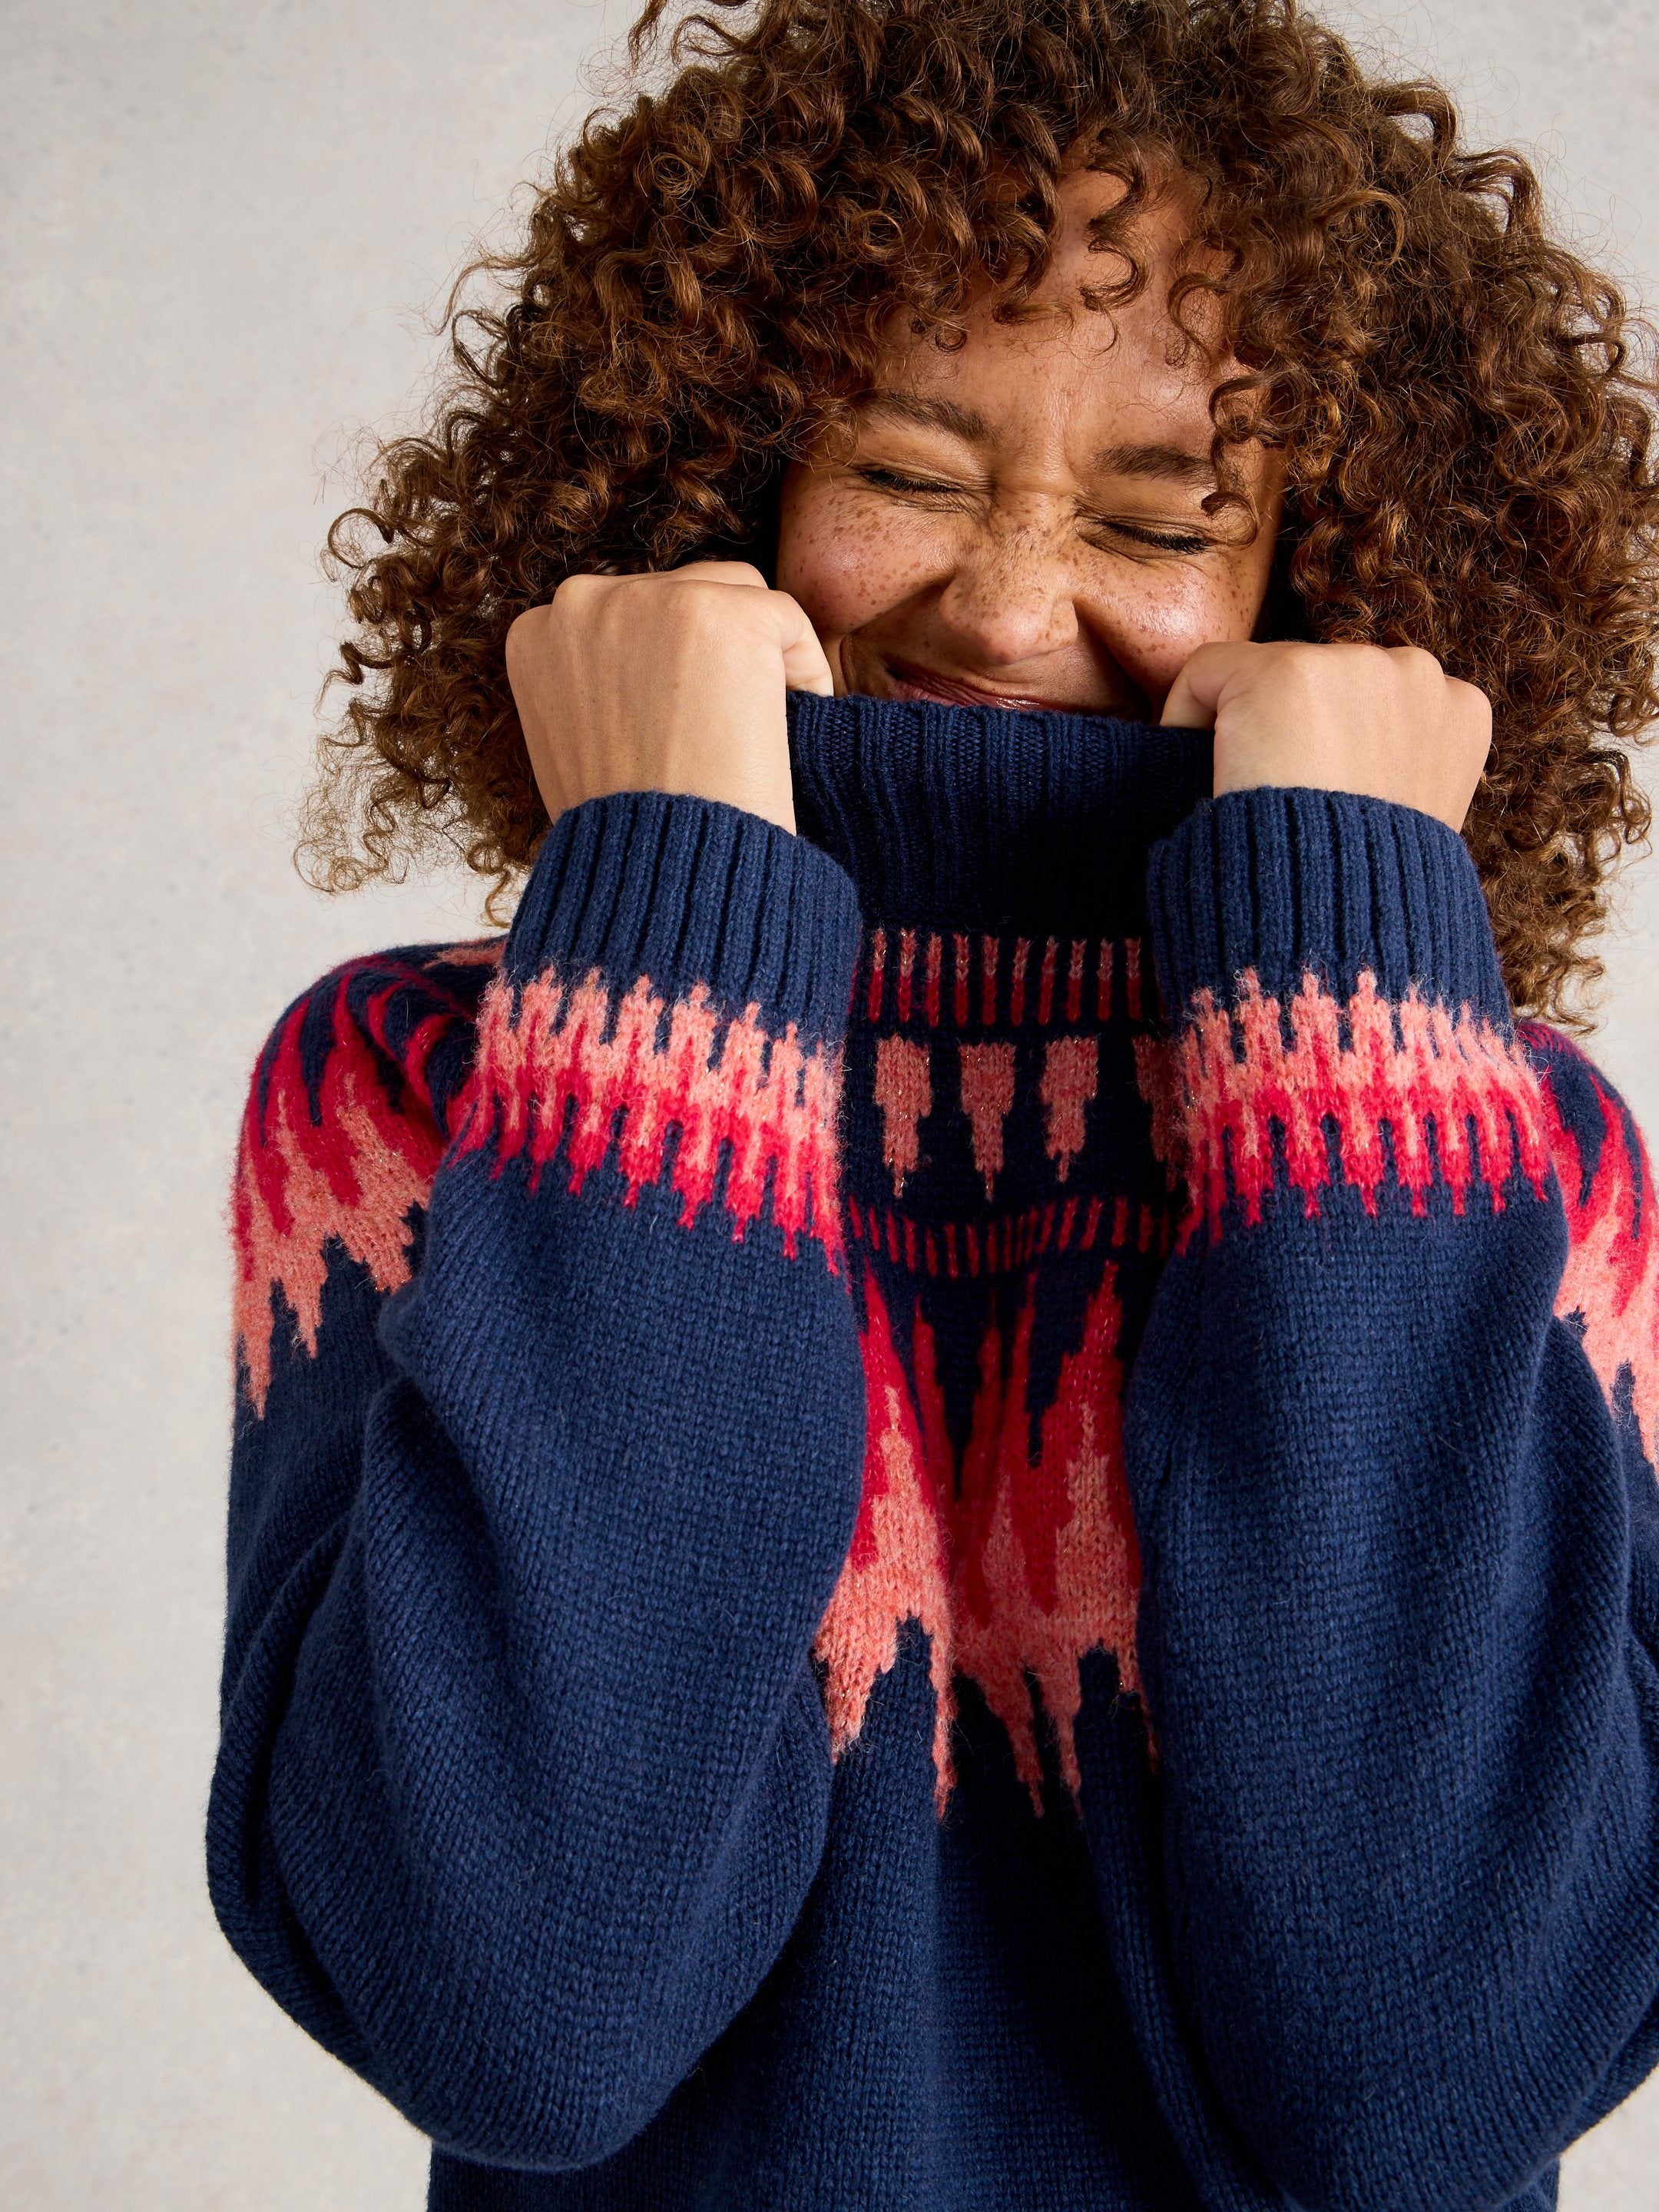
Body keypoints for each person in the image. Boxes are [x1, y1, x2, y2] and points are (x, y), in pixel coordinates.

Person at [207, 2, 1659, 2206]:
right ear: (716, 478)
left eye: (1165, 513)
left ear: (1328, 585)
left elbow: (1429, 2079)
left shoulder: (1498, 1148)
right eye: (901, 472)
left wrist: (1354, 1018)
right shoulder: (422, 1088)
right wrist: (665, 962)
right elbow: (512, 2009)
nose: (1006, 604)